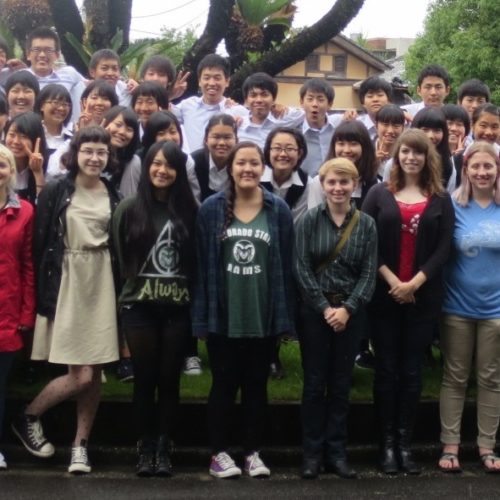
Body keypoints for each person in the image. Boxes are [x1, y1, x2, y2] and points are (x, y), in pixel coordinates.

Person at [11, 127, 120, 474]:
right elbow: (40, 242)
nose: (94, 158)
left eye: (101, 152)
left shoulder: (112, 191)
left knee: (97, 367)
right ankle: (28, 415)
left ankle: (80, 446)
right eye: (88, 150)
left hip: (102, 280)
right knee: (82, 375)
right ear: (76, 153)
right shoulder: (59, 188)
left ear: (108, 156)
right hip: (68, 278)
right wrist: (43, 292)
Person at [192, 141, 295, 479]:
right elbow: (201, 267)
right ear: (231, 168)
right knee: (223, 385)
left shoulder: (277, 209)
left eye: (254, 163)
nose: (248, 169)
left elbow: (286, 264)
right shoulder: (210, 208)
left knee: (256, 387)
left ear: (262, 167)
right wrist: (203, 317)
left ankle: (252, 452)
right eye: (241, 163)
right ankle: (218, 453)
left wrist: (284, 317)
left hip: (262, 315)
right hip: (225, 316)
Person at [362, 129, 454, 475]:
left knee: (412, 371)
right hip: (384, 297)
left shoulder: (440, 198)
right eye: (405, 152)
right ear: (396, 156)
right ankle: (385, 445)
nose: (411, 158)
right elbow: (367, 242)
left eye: (418, 152)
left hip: (422, 298)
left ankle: (405, 444)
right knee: (386, 369)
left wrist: (415, 282)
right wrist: (393, 281)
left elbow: (445, 247)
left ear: (427, 157)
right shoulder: (378, 194)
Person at [111, 140, 198, 477]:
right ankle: (144, 445)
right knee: (144, 379)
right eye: (156, 164)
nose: (162, 170)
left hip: (178, 307)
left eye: (170, 165)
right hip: (139, 307)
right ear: (147, 168)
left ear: (179, 171)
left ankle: (164, 444)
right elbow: (119, 261)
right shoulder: (128, 208)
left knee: (169, 379)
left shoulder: (191, 210)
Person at [294, 157, 377, 480]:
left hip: (351, 314)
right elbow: (300, 268)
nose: (338, 188)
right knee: (314, 385)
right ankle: (312, 454)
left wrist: (348, 308)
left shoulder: (366, 224)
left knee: (341, 385)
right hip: (316, 314)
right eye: (332, 182)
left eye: (345, 182)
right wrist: (324, 308)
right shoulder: (309, 221)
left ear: (354, 185)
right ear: (323, 185)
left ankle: (337, 453)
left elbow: (369, 273)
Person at [438, 142, 500, 473]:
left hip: (496, 311)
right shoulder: (453, 206)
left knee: (491, 378)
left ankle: (487, 446)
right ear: (465, 170)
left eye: (488, 166)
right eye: (475, 166)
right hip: (457, 307)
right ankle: (450, 444)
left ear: (497, 169)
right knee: (455, 377)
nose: (481, 172)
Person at [0, 145, 35, 470]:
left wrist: (27, 313)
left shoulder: (23, 211)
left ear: (11, 171)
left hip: (7, 310)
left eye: (2, 165)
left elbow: (28, 265)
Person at [172, 54, 247, 151]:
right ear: (199, 81)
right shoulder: (187, 106)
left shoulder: (237, 111)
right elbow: (160, 113)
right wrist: (171, 95)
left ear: (227, 81)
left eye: (217, 78)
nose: (211, 83)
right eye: (206, 78)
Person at [237, 72, 303, 148]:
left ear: (273, 99)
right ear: (246, 100)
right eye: (253, 95)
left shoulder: (282, 118)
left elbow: (308, 113)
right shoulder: (239, 125)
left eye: (264, 95)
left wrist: (285, 108)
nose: (259, 100)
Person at [298, 78, 342, 177]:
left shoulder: (339, 127)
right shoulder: (294, 131)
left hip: (336, 185)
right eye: (310, 99)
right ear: (301, 102)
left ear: (330, 104)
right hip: (305, 188)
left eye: (320, 99)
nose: (314, 104)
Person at [4, 111, 47, 204]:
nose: (16, 141)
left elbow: (44, 208)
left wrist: (38, 172)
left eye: (23, 136)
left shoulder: (48, 168)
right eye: (12, 134)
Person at [103, 105, 141, 197]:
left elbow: (128, 202)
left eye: (129, 129)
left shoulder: (131, 162)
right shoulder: (93, 153)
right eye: (118, 125)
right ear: (106, 123)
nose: (122, 132)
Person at [34, 83, 73, 153]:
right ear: (42, 106)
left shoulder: (73, 137)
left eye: (65, 104)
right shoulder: (32, 133)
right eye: (56, 103)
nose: (61, 108)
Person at [357, 76, 392, 141]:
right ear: (363, 103)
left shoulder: (400, 124)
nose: (375, 99)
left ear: (389, 100)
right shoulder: (356, 127)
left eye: (380, 95)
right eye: (370, 96)